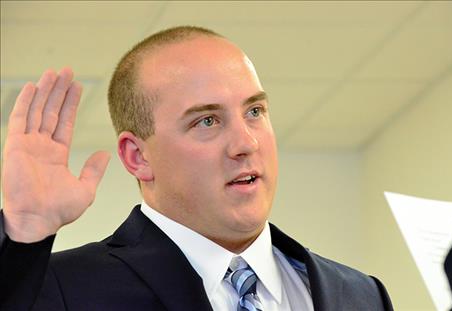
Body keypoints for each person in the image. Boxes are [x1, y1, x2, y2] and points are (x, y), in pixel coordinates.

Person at [0, 26, 393, 311]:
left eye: (254, 111)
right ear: (138, 157)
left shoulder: (362, 296)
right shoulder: (61, 289)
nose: (246, 143)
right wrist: (24, 233)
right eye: (207, 121)